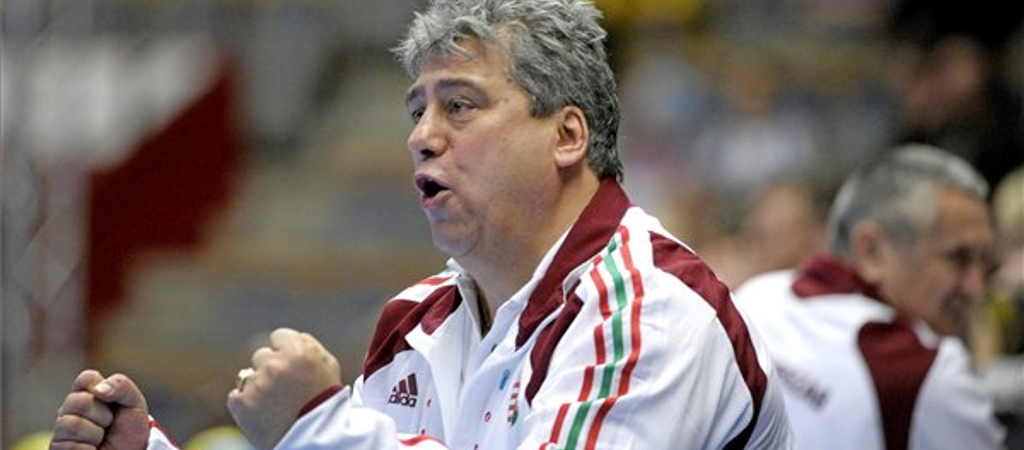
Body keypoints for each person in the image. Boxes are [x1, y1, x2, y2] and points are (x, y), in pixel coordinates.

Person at [49, 1, 794, 450]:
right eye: (417, 109)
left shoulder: (649, 311)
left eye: (459, 106)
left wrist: (319, 425)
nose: (421, 137)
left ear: (568, 136)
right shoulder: (418, 321)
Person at [734, 144, 1006, 450]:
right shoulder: (929, 372)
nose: (976, 286)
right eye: (959, 258)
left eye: (986, 263)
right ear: (871, 251)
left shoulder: (755, 297)